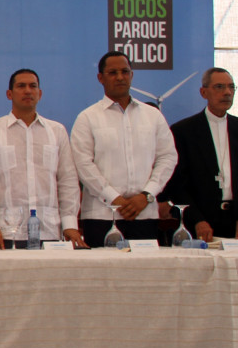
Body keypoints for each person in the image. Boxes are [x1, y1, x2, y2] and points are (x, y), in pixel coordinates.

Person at [71, 51, 177, 248]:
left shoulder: (153, 115)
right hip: (102, 215)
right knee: (103, 268)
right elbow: (83, 164)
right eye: (113, 73)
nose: (120, 77)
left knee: (145, 268)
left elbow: (168, 157)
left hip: (144, 213)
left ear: (131, 75)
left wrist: (146, 195)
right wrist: (114, 198)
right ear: (100, 78)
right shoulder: (87, 118)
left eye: (124, 72)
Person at [0, 68, 85, 249]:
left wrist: (70, 224)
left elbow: (68, 180)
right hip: (6, 231)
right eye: (21, 86)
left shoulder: (56, 131)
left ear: (40, 93)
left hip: (49, 229)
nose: (27, 91)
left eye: (33, 86)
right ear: (9, 94)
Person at [163, 67, 238, 242]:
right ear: (203, 92)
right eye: (219, 87)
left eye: (231, 87)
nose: (227, 92)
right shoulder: (183, 131)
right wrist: (196, 219)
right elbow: (177, 182)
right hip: (199, 223)